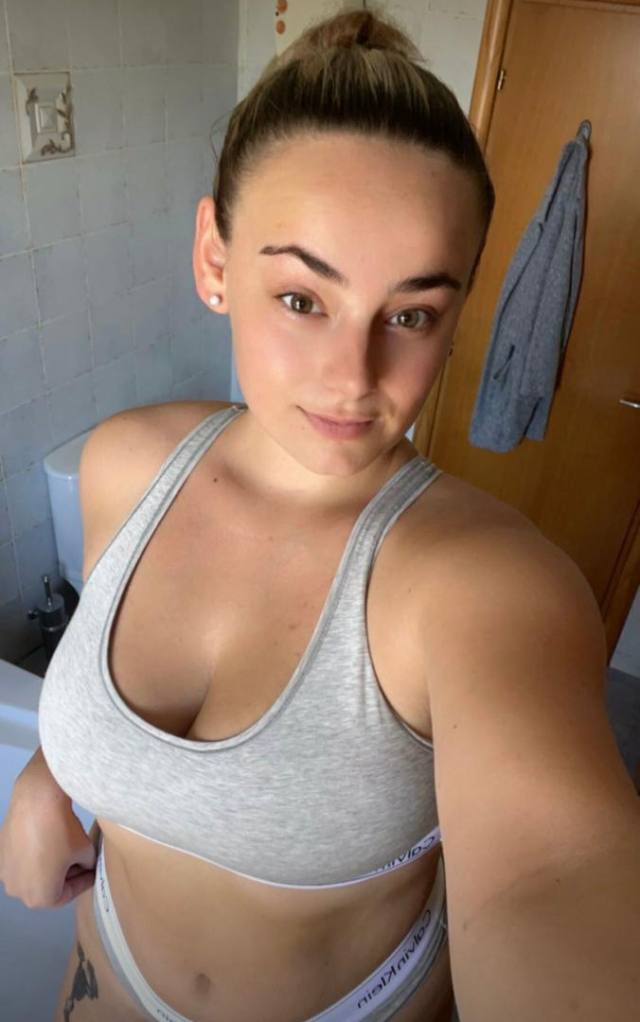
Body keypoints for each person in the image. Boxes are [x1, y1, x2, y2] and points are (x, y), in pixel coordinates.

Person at [1, 5, 639, 1021]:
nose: (354, 377)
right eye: (304, 299)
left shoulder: (486, 585)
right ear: (216, 260)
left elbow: (549, 877)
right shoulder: (127, 463)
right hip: (101, 963)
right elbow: (105, 666)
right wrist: (51, 776)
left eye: (411, 314)